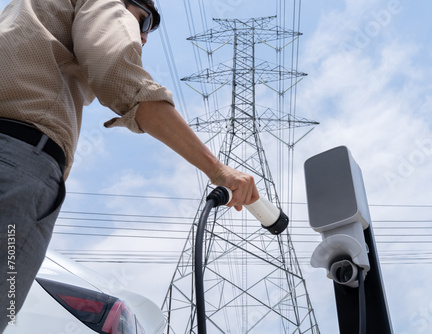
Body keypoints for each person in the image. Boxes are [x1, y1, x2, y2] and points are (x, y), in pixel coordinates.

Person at [0, 0, 259, 331]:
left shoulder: (24, 11)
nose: (145, 37)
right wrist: (220, 171)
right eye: (145, 21)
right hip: (17, 156)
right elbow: (117, 72)